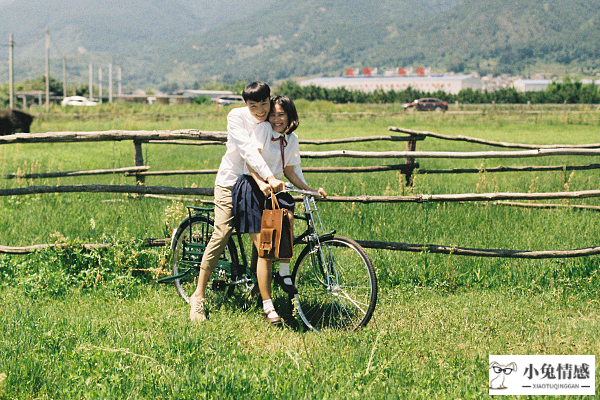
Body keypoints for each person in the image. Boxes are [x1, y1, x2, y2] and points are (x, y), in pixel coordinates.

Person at [189, 82, 286, 322]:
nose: (260, 110)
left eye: (264, 104)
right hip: (229, 182)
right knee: (222, 232)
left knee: (263, 233)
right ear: (245, 104)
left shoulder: (269, 120)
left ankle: (257, 288)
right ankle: (198, 295)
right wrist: (270, 177)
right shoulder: (235, 117)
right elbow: (248, 151)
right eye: (254, 105)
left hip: (254, 183)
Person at [233, 95, 327, 325]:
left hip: (274, 189)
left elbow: (290, 171)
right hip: (254, 188)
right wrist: (263, 182)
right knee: (266, 249)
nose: (275, 119)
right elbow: (249, 161)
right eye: (273, 114)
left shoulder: (291, 139)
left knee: (288, 221)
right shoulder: (264, 130)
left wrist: (310, 189)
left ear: (290, 116)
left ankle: (283, 272)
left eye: (281, 114)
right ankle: (267, 307)